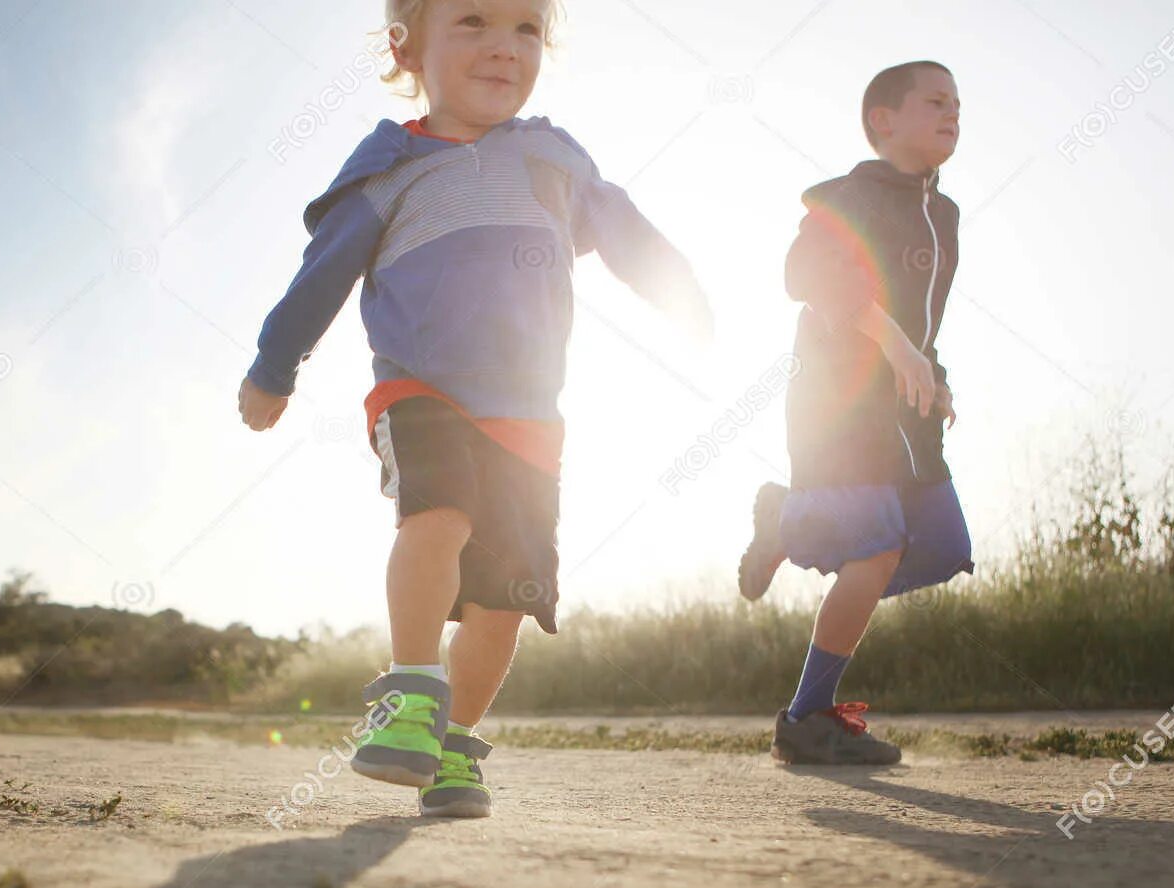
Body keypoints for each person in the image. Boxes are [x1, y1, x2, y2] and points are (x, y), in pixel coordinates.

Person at [239, 0, 710, 815]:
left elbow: (624, 227)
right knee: (440, 513)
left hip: (531, 415)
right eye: (474, 22)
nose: (504, 47)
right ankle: (411, 691)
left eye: (526, 30)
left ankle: (452, 743)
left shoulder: (553, 156)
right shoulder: (388, 166)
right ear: (406, 46)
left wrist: (683, 296)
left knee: (505, 602)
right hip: (422, 387)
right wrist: (274, 366)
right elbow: (321, 275)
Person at [737, 60, 974, 765]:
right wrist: (897, 346)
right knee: (874, 546)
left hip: (907, 404)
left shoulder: (945, 214)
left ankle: (790, 519)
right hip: (840, 399)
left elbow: (922, 323)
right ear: (883, 121)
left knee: (938, 548)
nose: (953, 113)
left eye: (959, 104)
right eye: (936, 101)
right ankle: (807, 718)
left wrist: (932, 375)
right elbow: (804, 276)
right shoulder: (847, 196)